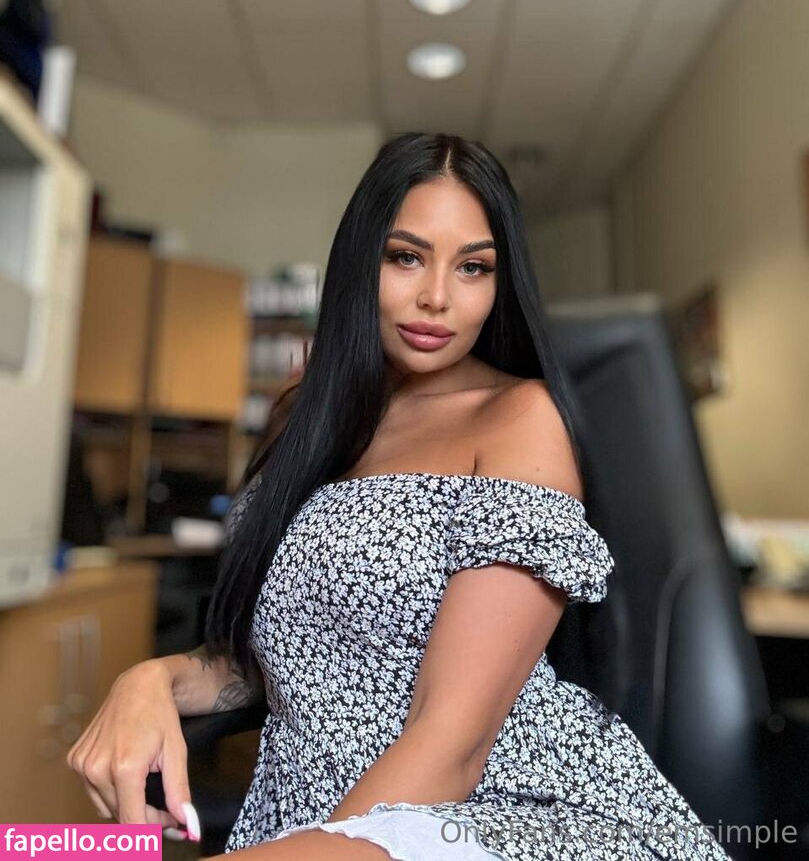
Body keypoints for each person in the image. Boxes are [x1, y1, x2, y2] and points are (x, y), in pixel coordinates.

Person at [68, 132, 734, 861]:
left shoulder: (518, 420)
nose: (436, 297)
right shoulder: (304, 417)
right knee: (36, 849)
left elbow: (453, 746)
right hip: (320, 826)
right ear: (361, 262)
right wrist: (152, 680)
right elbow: (288, 658)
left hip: (491, 815)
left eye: (473, 267)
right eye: (406, 257)